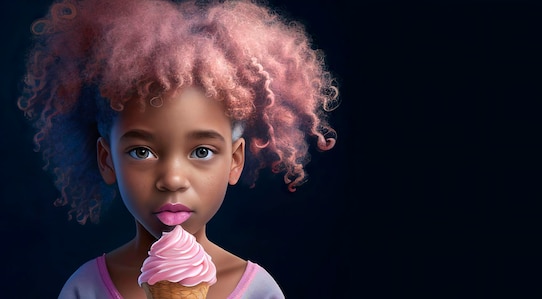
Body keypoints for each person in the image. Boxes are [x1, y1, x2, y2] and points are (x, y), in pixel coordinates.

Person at [17, 0, 339, 297]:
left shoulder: (259, 292)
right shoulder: (83, 290)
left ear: (235, 160)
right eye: (142, 152)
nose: (172, 179)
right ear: (107, 159)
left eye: (201, 152)